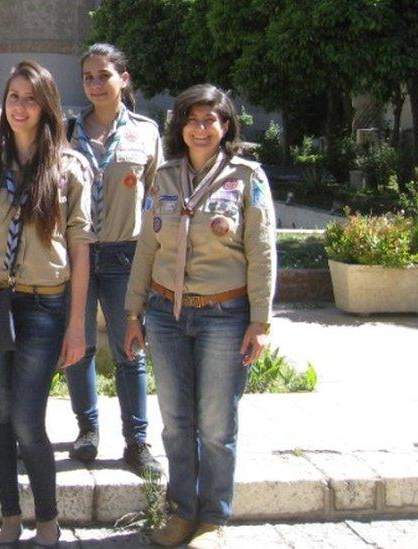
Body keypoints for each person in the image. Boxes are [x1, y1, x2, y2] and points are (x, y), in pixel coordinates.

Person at [0, 60, 94, 548]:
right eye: (13, 97)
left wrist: (77, 326)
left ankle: (47, 518)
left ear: (47, 106)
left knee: (29, 418)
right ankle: (10, 515)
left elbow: (79, 249)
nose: (20, 107)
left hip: (42, 305)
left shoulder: (69, 170)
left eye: (31, 99)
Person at [123, 84, 276, 548]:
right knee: (175, 422)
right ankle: (180, 511)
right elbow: (147, 247)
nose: (201, 128)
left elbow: (262, 251)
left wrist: (260, 321)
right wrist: (133, 312)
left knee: (215, 424)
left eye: (211, 119)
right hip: (167, 316)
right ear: (180, 127)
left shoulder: (246, 178)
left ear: (226, 126)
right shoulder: (165, 177)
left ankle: (213, 518)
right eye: (192, 119)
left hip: (224, 316)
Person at [62, 43, 163, 471]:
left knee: (130, 350)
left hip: (126, 257)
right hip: (78, 255)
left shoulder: (146, 131)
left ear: (124, 79)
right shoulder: (67, 132)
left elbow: (157, 199)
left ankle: (137, 441)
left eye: (104, 75)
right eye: (88, 77)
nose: (95, 84)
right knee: (78, 347)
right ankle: (87, 430)